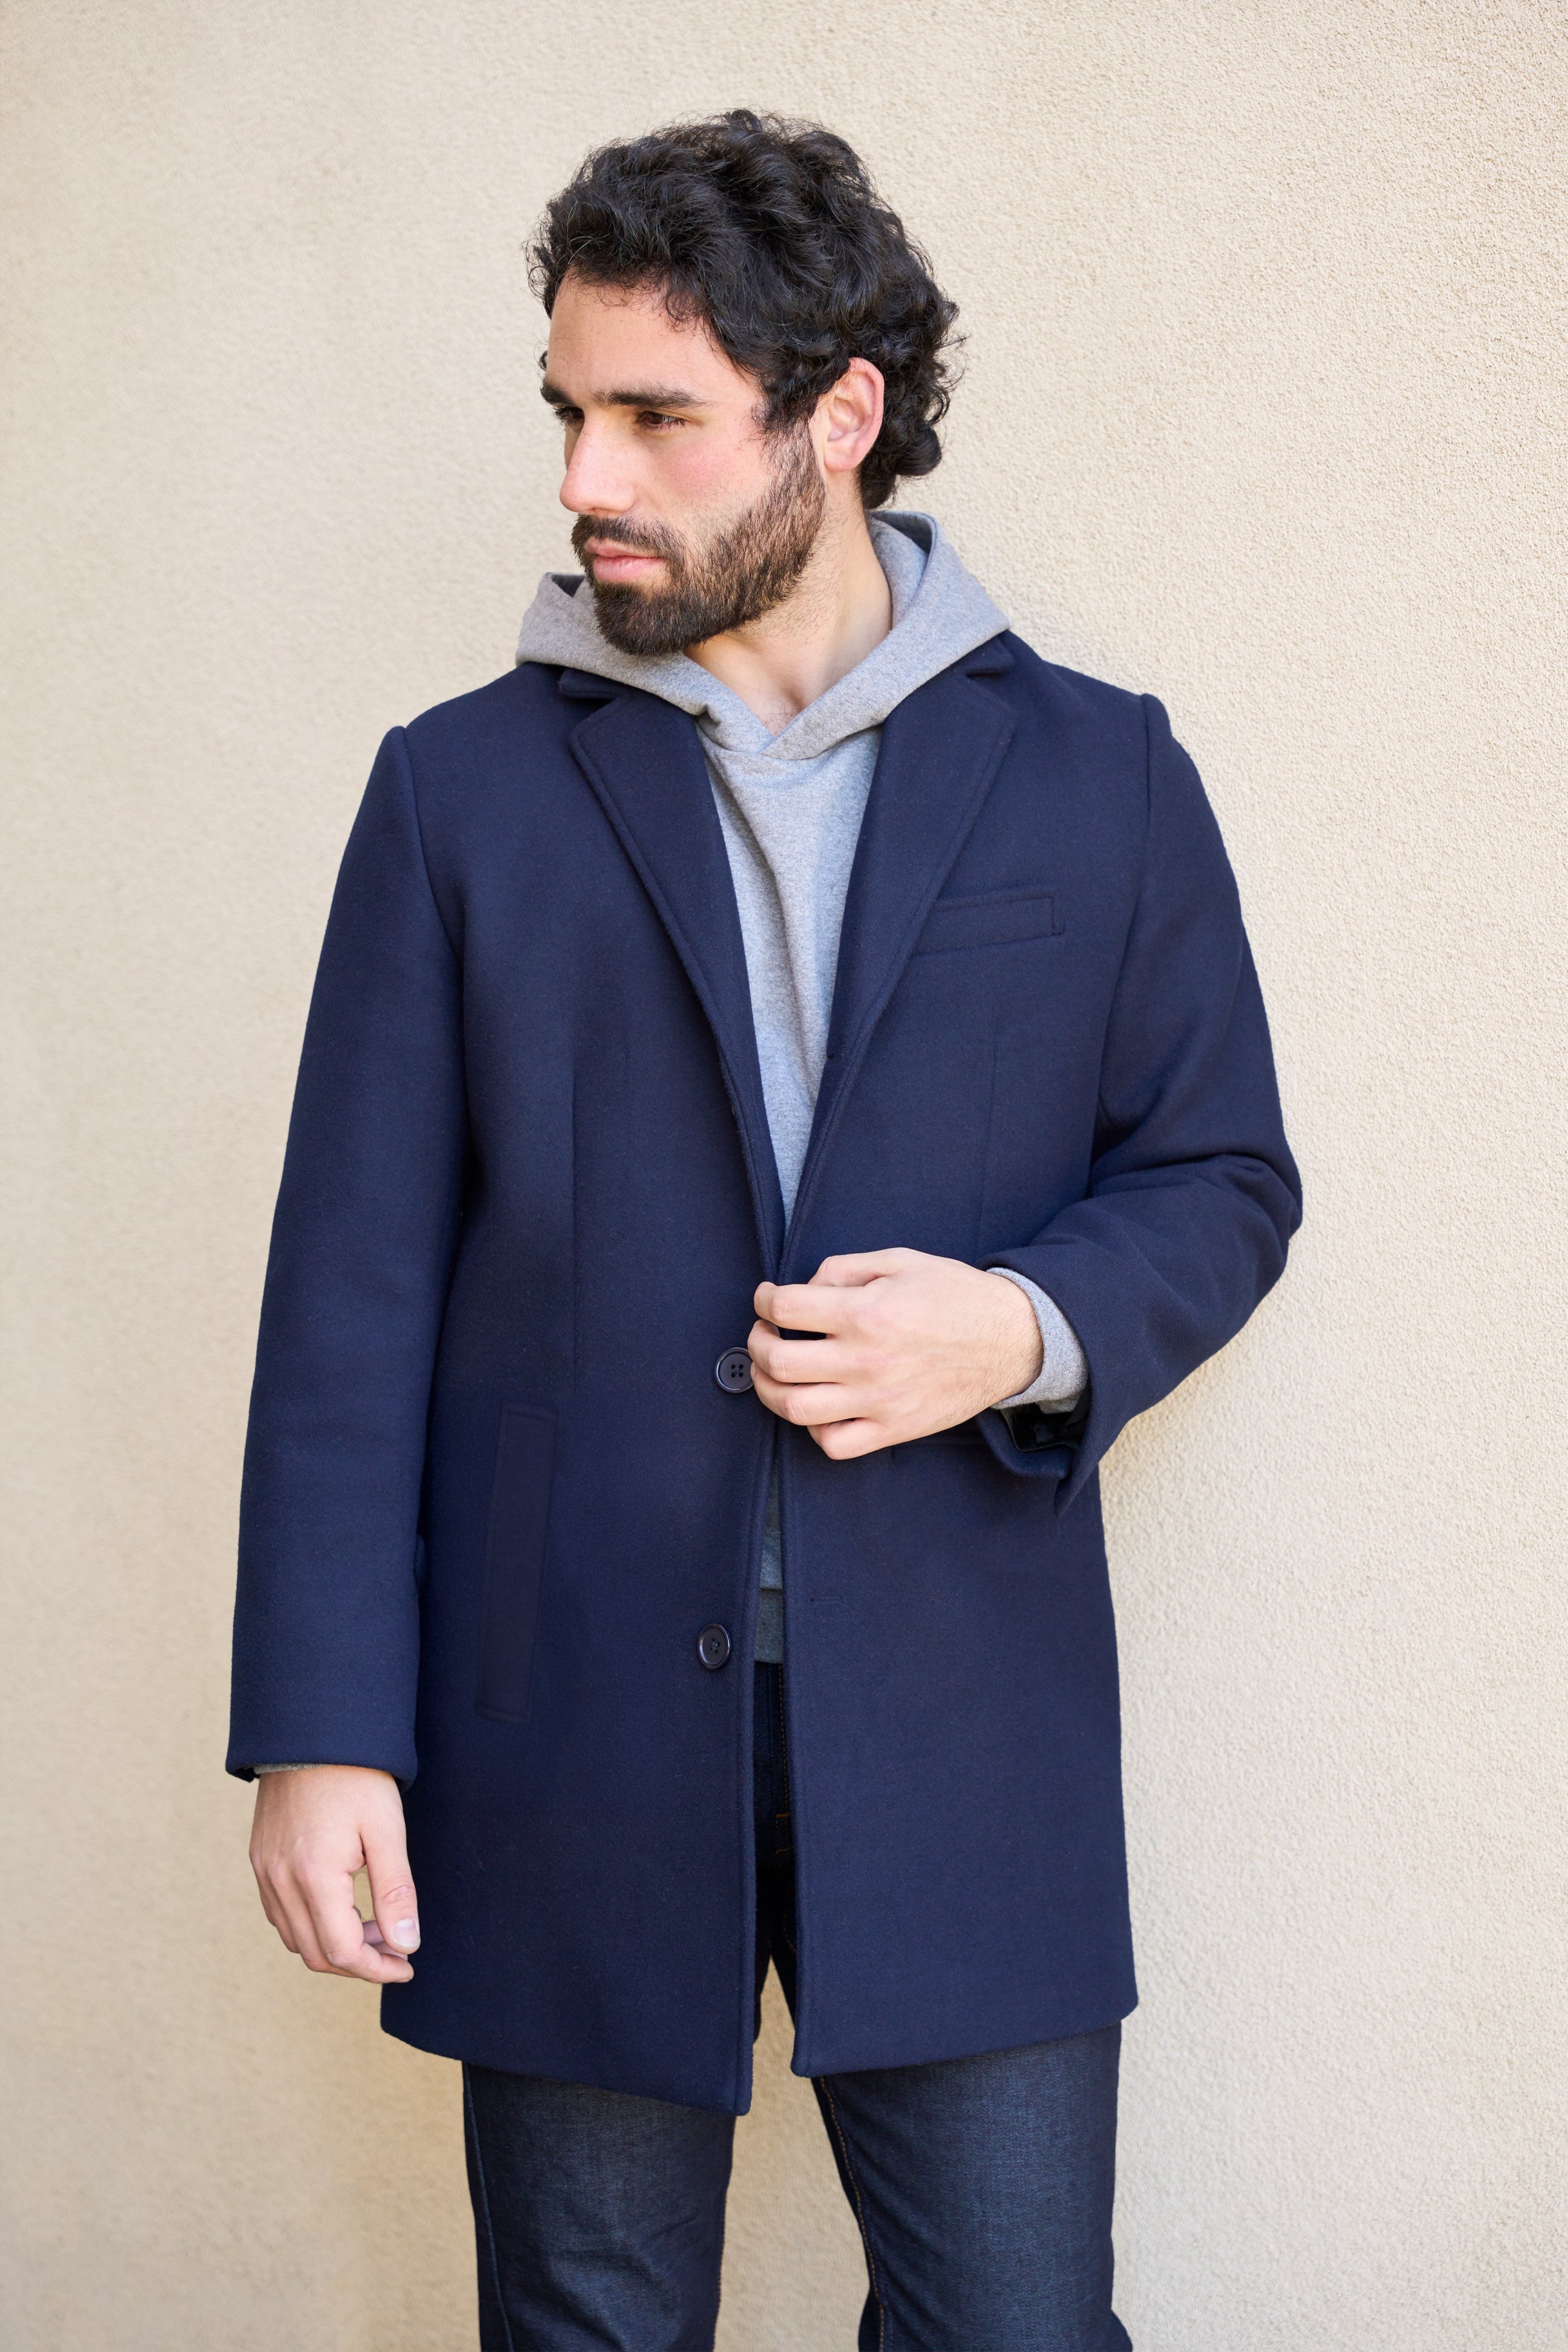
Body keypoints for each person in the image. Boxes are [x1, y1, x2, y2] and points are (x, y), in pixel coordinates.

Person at [229, 109, 1300, 2352]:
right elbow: (350, 1301)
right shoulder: (457, 793)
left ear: (842, 416)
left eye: (655, 418)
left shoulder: (1101, 771)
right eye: (567, 412)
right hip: (561, 1730)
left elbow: (1220, 1175)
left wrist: (1019, 1332)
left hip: (970, 1716)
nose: (584, 477)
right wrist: (326, 1732)